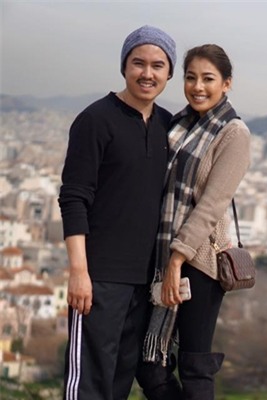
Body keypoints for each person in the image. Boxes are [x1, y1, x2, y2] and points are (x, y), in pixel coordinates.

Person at [58, 25, 176, 400]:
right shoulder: (96, 119)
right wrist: (79, 271)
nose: (147, 73)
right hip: (99, 279)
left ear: (169, 73)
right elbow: (74, 197)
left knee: (118, 387)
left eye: (158, 65)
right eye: (138, 63)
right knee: (88, 387)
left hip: (146, 282)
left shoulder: (168, 125)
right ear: (124, 66)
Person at [136, 44, 251, 400]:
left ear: (227, 83)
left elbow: (212, 205)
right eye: (191, 77)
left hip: (198, 261)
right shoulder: (178, 124)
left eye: (208, 79)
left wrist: (177, 260)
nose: (198, 87)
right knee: (150, 366)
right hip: (158, 256)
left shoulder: (233, 133)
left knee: (194, 366)